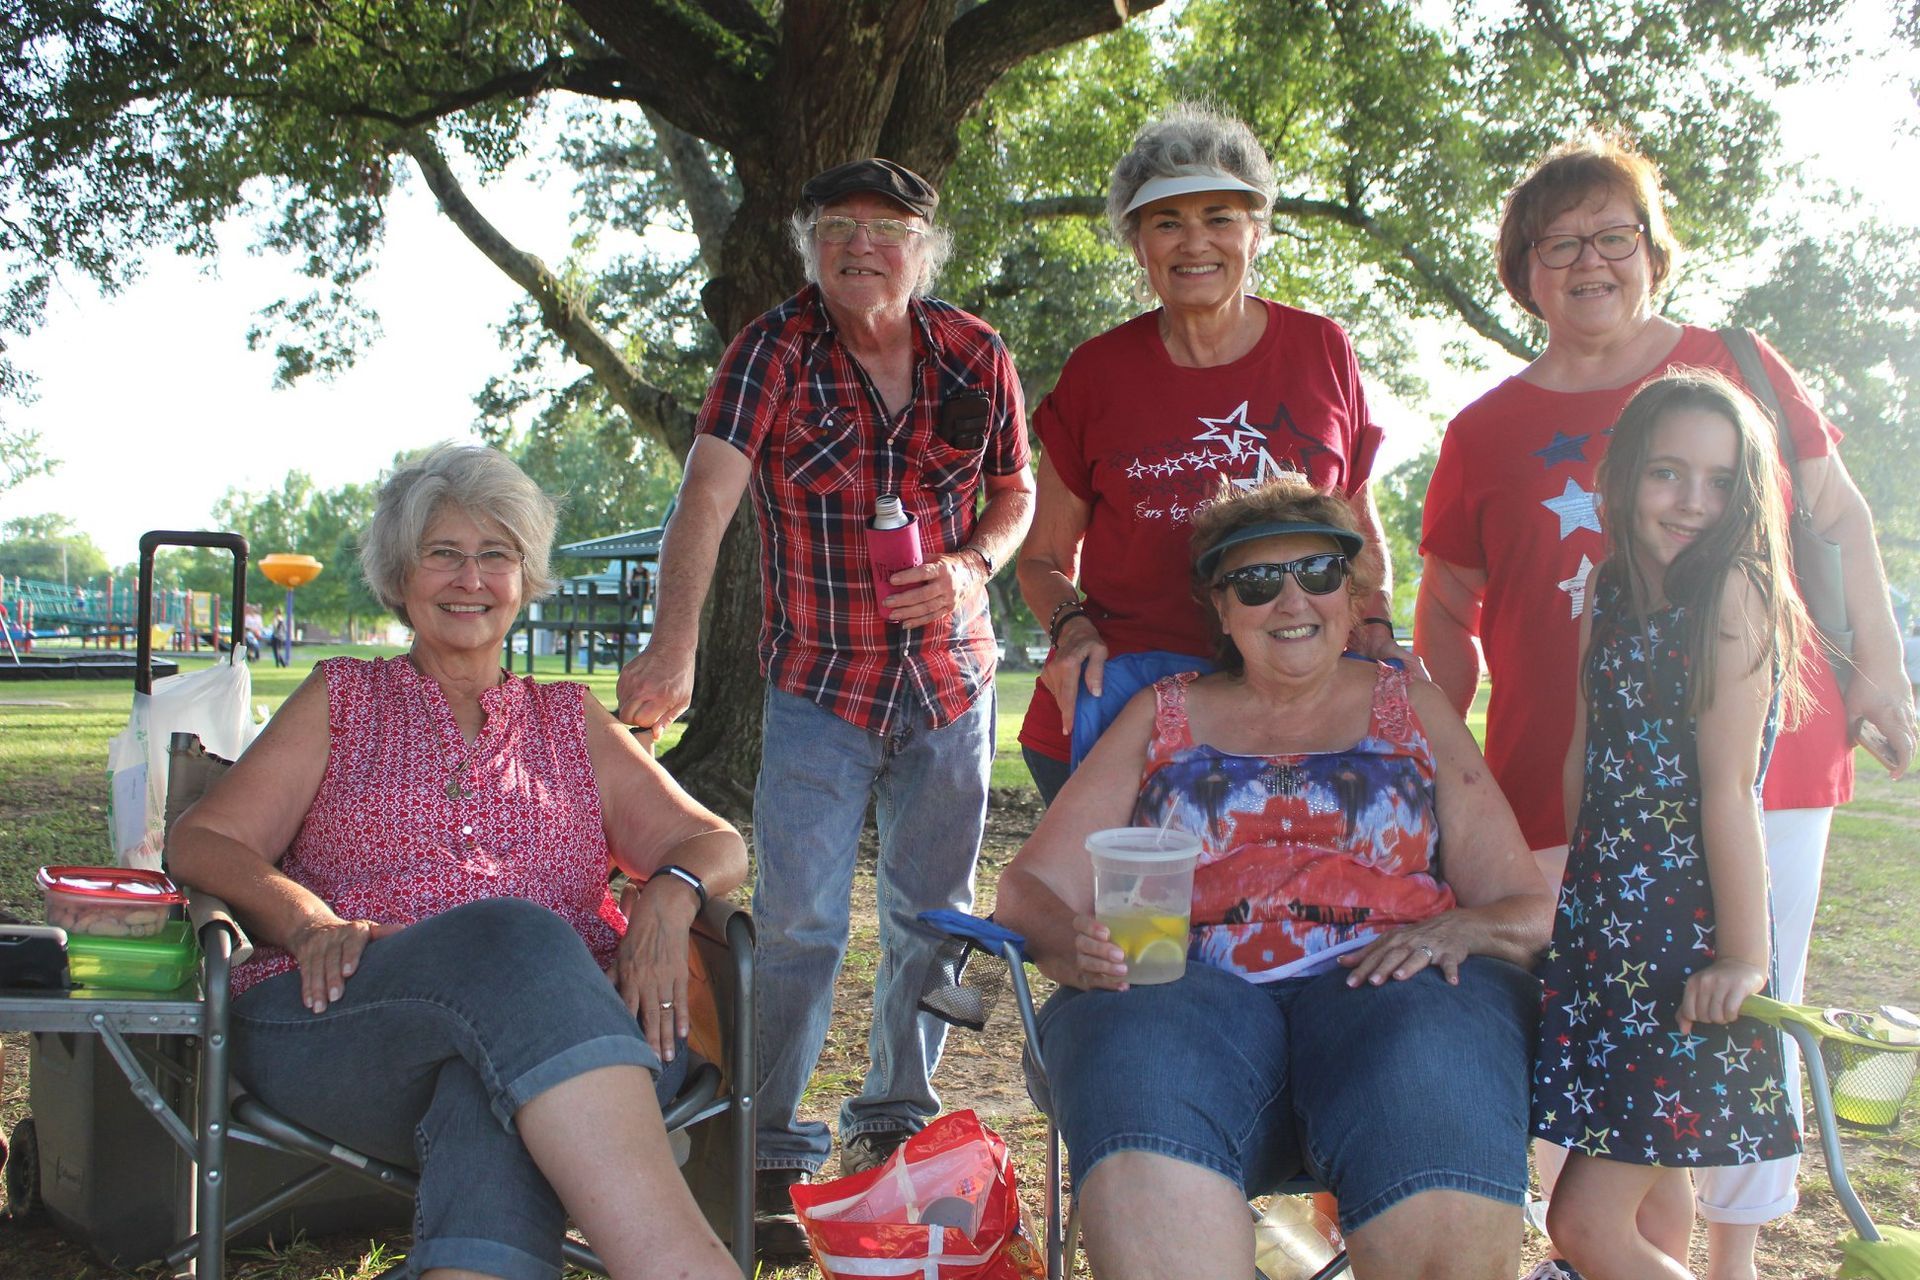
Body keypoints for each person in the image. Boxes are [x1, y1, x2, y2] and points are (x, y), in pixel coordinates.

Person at [1415, 132, 1917, 1279]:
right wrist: (1451, 757)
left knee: (1735, 1015)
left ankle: (1729, 1262)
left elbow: (1837, 518)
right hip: (1603, 849)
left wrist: (1882, 672)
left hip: (1745, 800)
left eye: (1615, 235)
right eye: (1560, 242)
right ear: (1524, 267)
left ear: (1653, 251)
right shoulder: (1492, 435)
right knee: (1629, 1120)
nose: (1591, 260)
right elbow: (1448, 604)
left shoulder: (1732, 373)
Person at [167, 443, 743, 1280]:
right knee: (516, 939)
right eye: (443, 554)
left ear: (524, 578)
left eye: (496, 556)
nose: (470, 579)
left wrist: (670, 896)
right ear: (402, 577)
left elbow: (714, 842)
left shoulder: (570, 719)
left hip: (572, 1042)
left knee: (496, 1087)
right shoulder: (343, 699)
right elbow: (202, 838)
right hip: (351, 1024)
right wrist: (307, 919)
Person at [614, 158, 1036, 1250]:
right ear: (809, 243)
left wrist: (975, 567)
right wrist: (676, 646)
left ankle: (895, 1116)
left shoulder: (975, 351)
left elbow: (1014, 491)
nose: (861, 245)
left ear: (922, 250)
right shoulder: (774, 348)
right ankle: (764, 1139)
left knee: (932, 913)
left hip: (951, 682)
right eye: (836, 225)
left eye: (886, 229)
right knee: (799, 919)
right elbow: (706, 493)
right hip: (818, 685)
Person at [995, 475, 1553, 1280]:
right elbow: (1028, 890)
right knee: (1134, 1043)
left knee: (1436, 1054)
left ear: (1352, 592)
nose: (1292, 599)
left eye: (1319, 573)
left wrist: (1464, 928)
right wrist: (1063, 942)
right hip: (1184, 990)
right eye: (1257, 583)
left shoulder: (1413, 707)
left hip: (1398, 988)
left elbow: (1527, 908)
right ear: (1220, 609)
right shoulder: (1161, 711)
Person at [1016, 104, 1405, 805]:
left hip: (1302, 706)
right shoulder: (1095, 375)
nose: (1195, 241)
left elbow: (1358, 529)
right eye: (1167, 221)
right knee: (1139, 915)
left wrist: (1374, 624)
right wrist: (1070, 631)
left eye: (1220, 216)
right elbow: (1042, 558)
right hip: (1127, 712)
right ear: (1138, 244)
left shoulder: (1323, 351)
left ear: (1256, 233)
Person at [1534, 371, 1806, 1278]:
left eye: (1721, 481)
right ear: (1623, 478)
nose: (1693, 502)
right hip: (1608, 929)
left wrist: (1743, 958)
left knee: (1581, 1224)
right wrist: (1578, 907)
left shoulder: (1731, 596)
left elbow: (1730, 793)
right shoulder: (1607, 589)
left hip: (1685, 946)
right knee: (1653, 1184)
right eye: (1667, 473)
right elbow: (1584, 753)